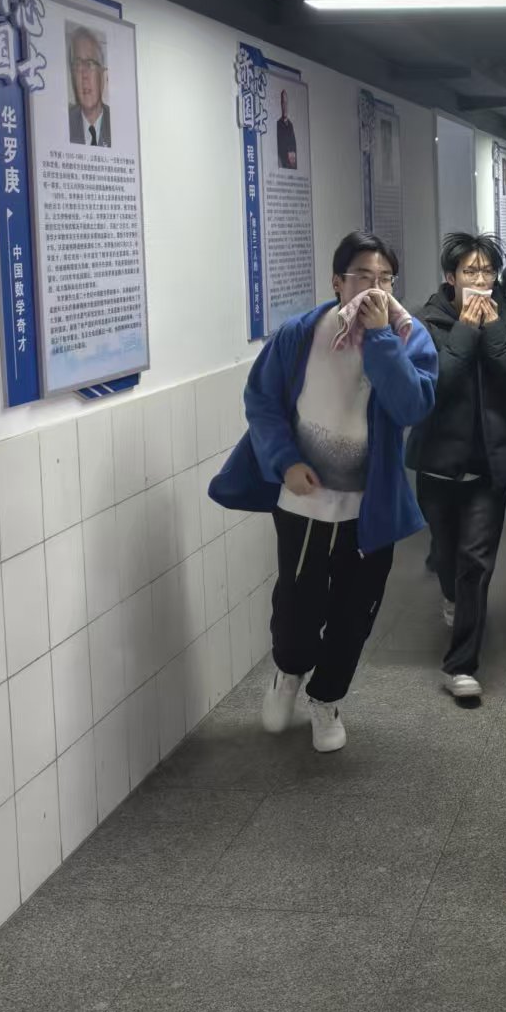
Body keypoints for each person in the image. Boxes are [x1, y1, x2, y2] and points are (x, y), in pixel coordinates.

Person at [209, 232, 437, 752]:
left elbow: (412, 406)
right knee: (297, 605)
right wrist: (285, 462)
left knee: (355, 612)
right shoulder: (300, 334)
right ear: (337, 282)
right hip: (303, 500)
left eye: (385, 279)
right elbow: (262, 401)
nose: (375, 289)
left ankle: (326, 697)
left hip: (370, 506)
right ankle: (289, 670)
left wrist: (380, 339)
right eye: (363, 277)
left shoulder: (408, 335)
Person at [407, 232, 506, 700]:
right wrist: (466, 330)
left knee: (476, 563)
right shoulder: (426, 322)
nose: (480, 279)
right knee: (446, 556)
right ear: (451, 277)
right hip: (438, 463)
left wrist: (494, 331)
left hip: (489, 465)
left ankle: (461, 665)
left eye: (487, 271)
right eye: (470, 271)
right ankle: (451, 596)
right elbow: (435, 385)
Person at [67, 25, 111, 147]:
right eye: (77, 65)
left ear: (102, 74)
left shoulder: (119, 122)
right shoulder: (64, 122)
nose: (84, 75)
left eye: (90, 64)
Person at [277, 89, 298, 169]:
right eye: (283, 103)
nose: (285, 106)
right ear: (281, 104)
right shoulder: (277, 125)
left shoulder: (290, 125)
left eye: (286, 103)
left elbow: (294, 146)